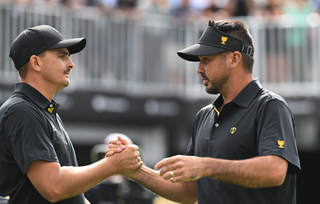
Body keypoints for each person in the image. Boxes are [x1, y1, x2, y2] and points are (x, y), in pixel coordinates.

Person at [108, 19, 301, 204]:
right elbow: (189, 192)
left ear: (234, 59)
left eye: (206, 60)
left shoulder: (270, 105)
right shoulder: (204, 116)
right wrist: (135, 170)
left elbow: (275, 171)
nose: (199, 69)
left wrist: (205, 166)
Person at [0, 25, 143, 204]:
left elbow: (73, 197)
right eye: (62, 56)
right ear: (36, 63)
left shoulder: (44, 111)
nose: (71, 63)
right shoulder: (21, 111)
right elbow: (54, 187)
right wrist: (112, 165)